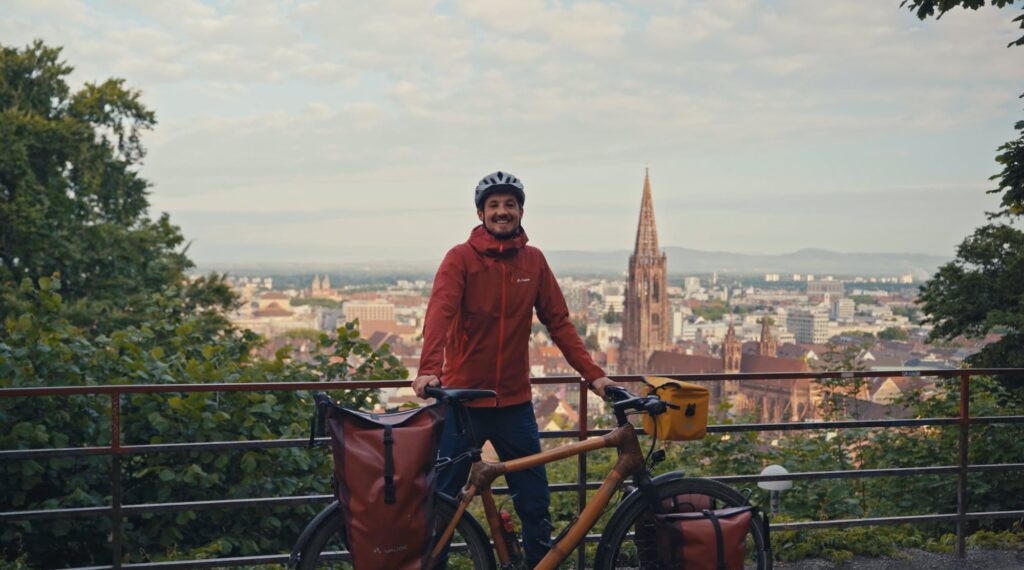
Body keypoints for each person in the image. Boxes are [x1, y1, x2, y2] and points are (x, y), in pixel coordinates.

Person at [413, 170, 621, 566]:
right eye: (494, 205)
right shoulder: (460, 258)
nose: (502, 211)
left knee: (534, 500)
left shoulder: (534, 260)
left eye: (510, 204)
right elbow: (440, 313)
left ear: (521, 211)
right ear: (480, 213)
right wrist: (428, 369)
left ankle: (537, 564)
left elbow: (559, 322)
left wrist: (594, 376)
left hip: (513, 402)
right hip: (462, 402)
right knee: (440, 502)